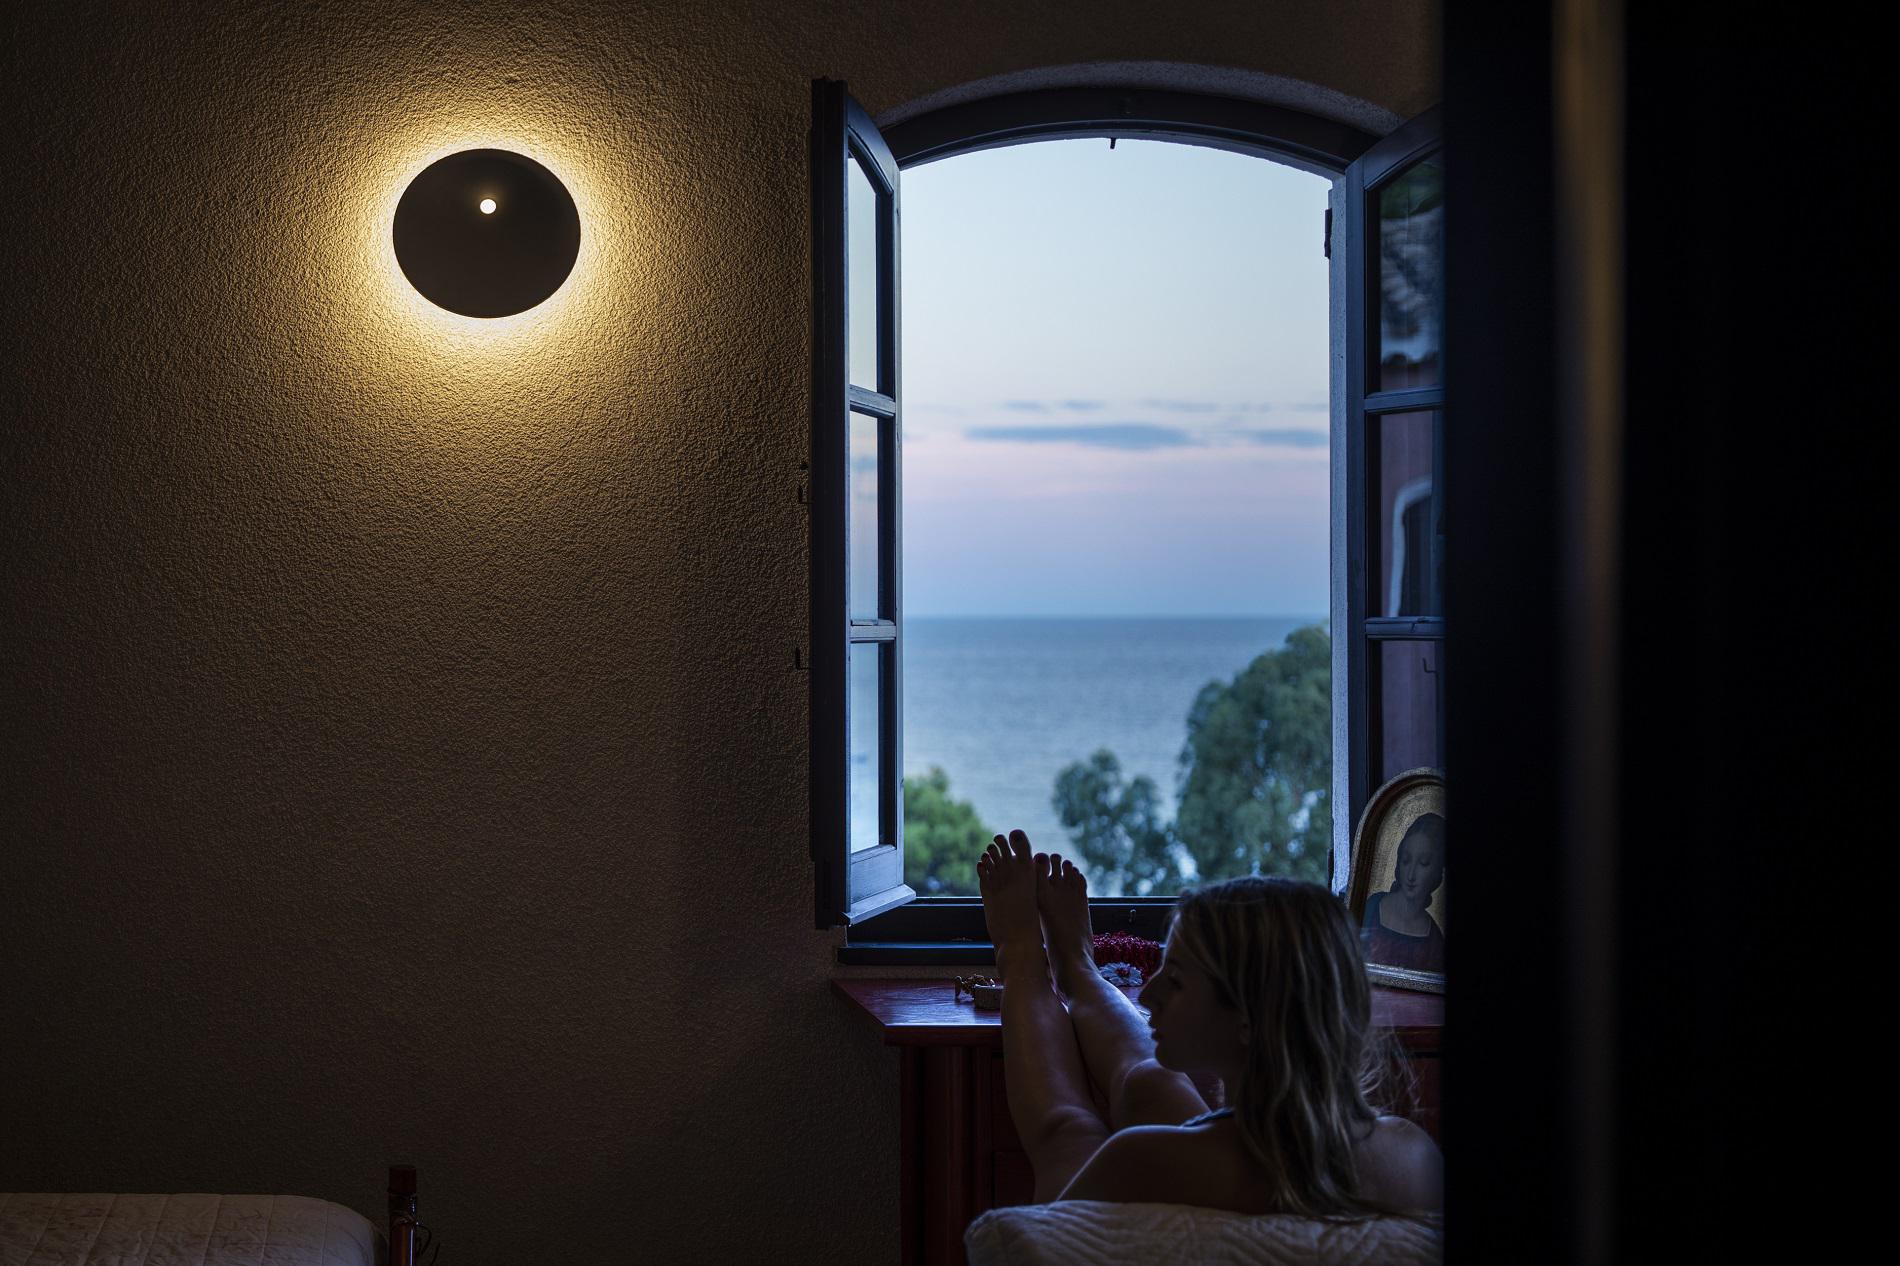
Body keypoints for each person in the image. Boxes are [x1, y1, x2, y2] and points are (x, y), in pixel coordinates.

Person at [976, 828, 1442, 1215]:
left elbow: (1049, 1236)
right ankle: (1078, 969)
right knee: (1150, 1082)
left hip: (1179, 1169)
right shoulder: (1413, 1156)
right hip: (1238, 1153)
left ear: (1247, 1021)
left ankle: (1023, 959)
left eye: (1175, 980)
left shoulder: (1134, 1162)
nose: (1148, 994)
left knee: (1066, 1131)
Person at [1361, 813, 1446, 974]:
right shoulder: (1372, 907)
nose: (1411, 875)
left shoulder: (1434, 941)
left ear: (1436, 871)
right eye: (1406, 860)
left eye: (1423, 863)